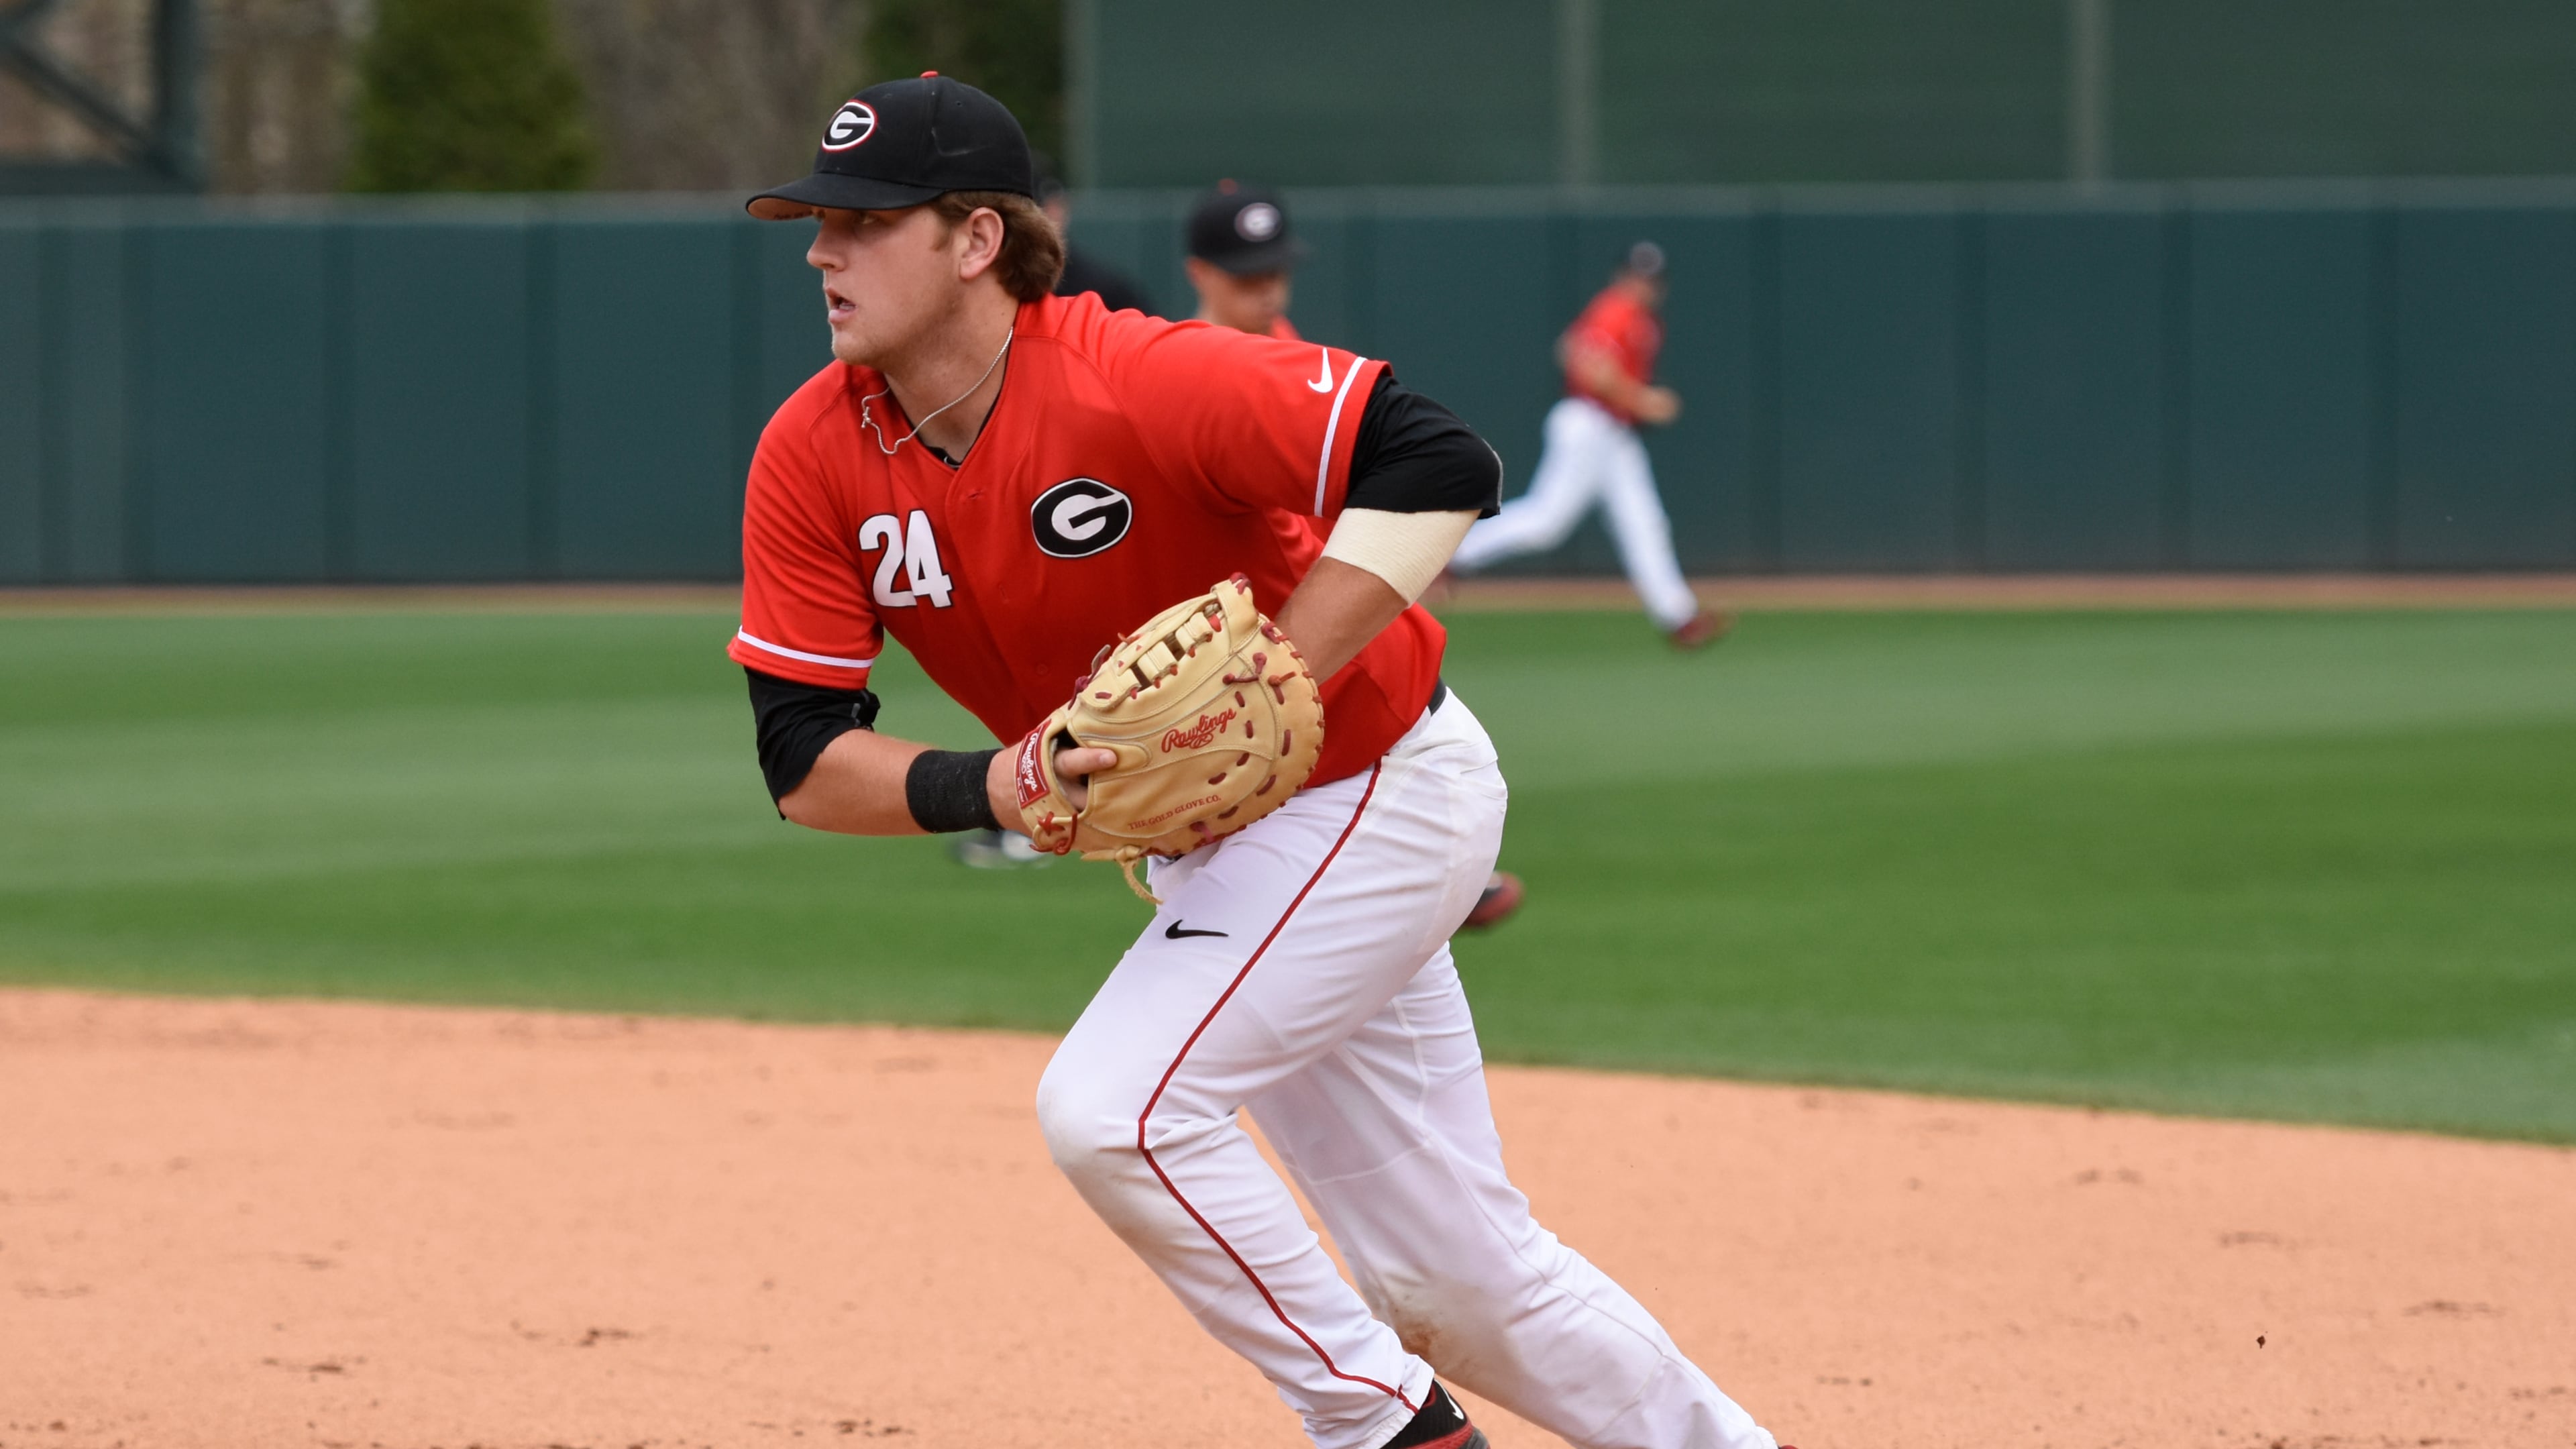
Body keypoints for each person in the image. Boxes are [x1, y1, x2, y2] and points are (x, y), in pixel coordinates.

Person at [731, 74, 1788, 1449]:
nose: (821, 248)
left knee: (1114, 1112)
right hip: (1228, 852)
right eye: (816, 219)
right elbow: (804, 762)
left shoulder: (1137, 374)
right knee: (1465, 1287)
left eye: (862, 221)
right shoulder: (814, 457)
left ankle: (1382, 1430)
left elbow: (1441, 458)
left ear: (976, 237)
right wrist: (1003, 784)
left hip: (1378, 789)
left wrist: (1280, 667)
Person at [1177, 177, 1523, 932]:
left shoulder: (1305, 359)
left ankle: (1420, 868)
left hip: (1312, 631)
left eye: (1276, 269)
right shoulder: (1178, 372)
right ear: (1199, 272)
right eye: (1247, 273)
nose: (1268, 288)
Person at [1447, 242, 1728, 649]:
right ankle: (1454, 556)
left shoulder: (1637, 318)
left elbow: (1568, 346)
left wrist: (1631, 401)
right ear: (1622, 276)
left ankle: (1679, 616)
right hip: (1589, 423)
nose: (1643, 285)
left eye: (1651, 279)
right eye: (1637, 275)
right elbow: (1586, 365)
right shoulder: (1615, 309)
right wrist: (1643, 400)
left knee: (1644, 523)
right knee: (1547, 522)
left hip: (1613, 432)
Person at [1186, 179, 1304, 339]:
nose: (1268, 291)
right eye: (1248, 277)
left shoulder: (1288, 339)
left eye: (1274, 273)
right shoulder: (1186, 359)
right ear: (1198, 274)